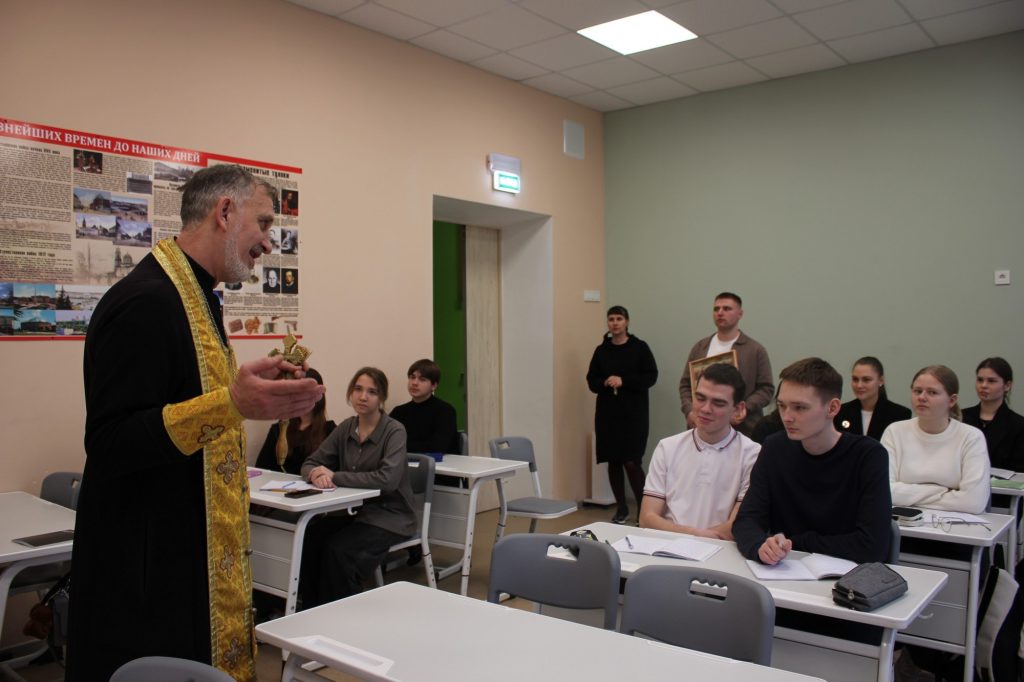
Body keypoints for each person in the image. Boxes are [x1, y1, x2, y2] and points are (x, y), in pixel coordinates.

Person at [68, 164, 325, 682]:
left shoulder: (196, 295)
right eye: (264, 223)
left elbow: (190, 398)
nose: (269, 243)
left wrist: (248, 392)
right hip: (152, 571)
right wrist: (232, 403)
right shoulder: (146, 301)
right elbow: (111, 441)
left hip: (187, 552)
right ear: (224, 212)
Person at [733, 357, 891, 565]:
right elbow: (746, 520)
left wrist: (794, 543)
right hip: (786, 570)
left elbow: (872, 546)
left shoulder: (868, 455)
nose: (787, 417)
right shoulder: (774, 448)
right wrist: (760, 547)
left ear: (832, 408)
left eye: (799, 408)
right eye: (782, 406)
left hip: (847, 574)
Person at [300, 367, 415, 607]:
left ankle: (341, 614)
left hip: (390, 516)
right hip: (354, 512)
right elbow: (311, 462)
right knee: (310, 538)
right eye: (358, 389)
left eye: (372, 392)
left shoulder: (394, 430)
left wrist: (335, 476)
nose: (363, 397)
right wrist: (315, 474)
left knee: (339, 550)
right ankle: (312, 610)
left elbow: (387, 480)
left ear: (381, 397)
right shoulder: (346, 428)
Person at [640, 363, 760, 540]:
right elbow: (647, 518)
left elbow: (737, 526)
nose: (705, 409)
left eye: (718, 403)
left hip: (721, 551)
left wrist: (691, 538)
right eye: (700, 398)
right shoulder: (667, 447)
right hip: (667, 547)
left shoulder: (752, 454)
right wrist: (695, 535)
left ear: (738, 409)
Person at [882, 365, 990, 513]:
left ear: (952, 400)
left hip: (956, 524)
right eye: (917, 391)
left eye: (932, 392)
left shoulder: (971, 437)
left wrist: (907, 495)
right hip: (904, 522)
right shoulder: (894, 431)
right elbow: (883, 490)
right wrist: (942, 491)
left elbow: (973, 502)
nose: (922, 397)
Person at [586, 305, 658, 524]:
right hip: (608, 415)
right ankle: (622, 508)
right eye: (611, 319)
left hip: (634, 415)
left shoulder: (639, 347)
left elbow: (651, 376)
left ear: (627, 322)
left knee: (632, 462)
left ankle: (644, 511)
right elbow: (591, 380)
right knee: (613, 462)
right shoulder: (601, 350)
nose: (615, 323)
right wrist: (605, 382)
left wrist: (624, 381)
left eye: (619, 319)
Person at [678, 292, 773, 436]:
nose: (720, 313)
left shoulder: (755, 350)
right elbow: (685, 385)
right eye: (716, 309)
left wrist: (744, 408)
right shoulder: (700, 347)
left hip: (743, 429)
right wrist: (689, 410)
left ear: (740, 314)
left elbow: (766, 389)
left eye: (727, 309)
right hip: (702, 429)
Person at [255, 367, 336, 474]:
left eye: (306, 392)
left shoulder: (331, 432)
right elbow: (261, 469)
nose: (300, 398)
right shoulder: (278, 430)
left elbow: (334, 473)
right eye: (296, 392)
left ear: (319, 395)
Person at [962, 357, 1024, 472]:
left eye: (991, 381)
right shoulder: (961, 417)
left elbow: (1019, 470)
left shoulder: (1019, 425)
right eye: (980, 380)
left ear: (1007, 385)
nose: (983, 385)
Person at [389, 358, 459, 455]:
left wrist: (400, 446)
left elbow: (437, 447)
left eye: (422, 379)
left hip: (441, 463)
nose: (414, 383)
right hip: (405, 461)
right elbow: (387, 441)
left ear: (433, 386)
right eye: (412, 377)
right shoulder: (398, 412)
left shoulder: (446, 411)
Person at [834, 356, 911, 440]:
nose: (859, 385)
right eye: (855, 379)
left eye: (866, 380)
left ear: (881, 380)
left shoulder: (899, 415)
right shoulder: (840, 412)